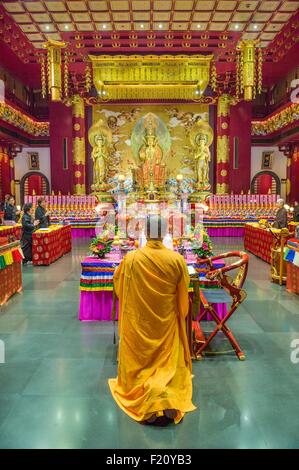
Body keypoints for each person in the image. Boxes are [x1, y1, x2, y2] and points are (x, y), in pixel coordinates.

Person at [109, 214, 196, 425]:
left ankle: (148, 393)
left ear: (145, 232)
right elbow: (183, 301)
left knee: (141, 359)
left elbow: (118, 285)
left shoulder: (131, 259)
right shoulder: (177, 260)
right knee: (169, 366)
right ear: (166, 232)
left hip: (140, 324)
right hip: (166, 323)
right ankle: (164, 394)